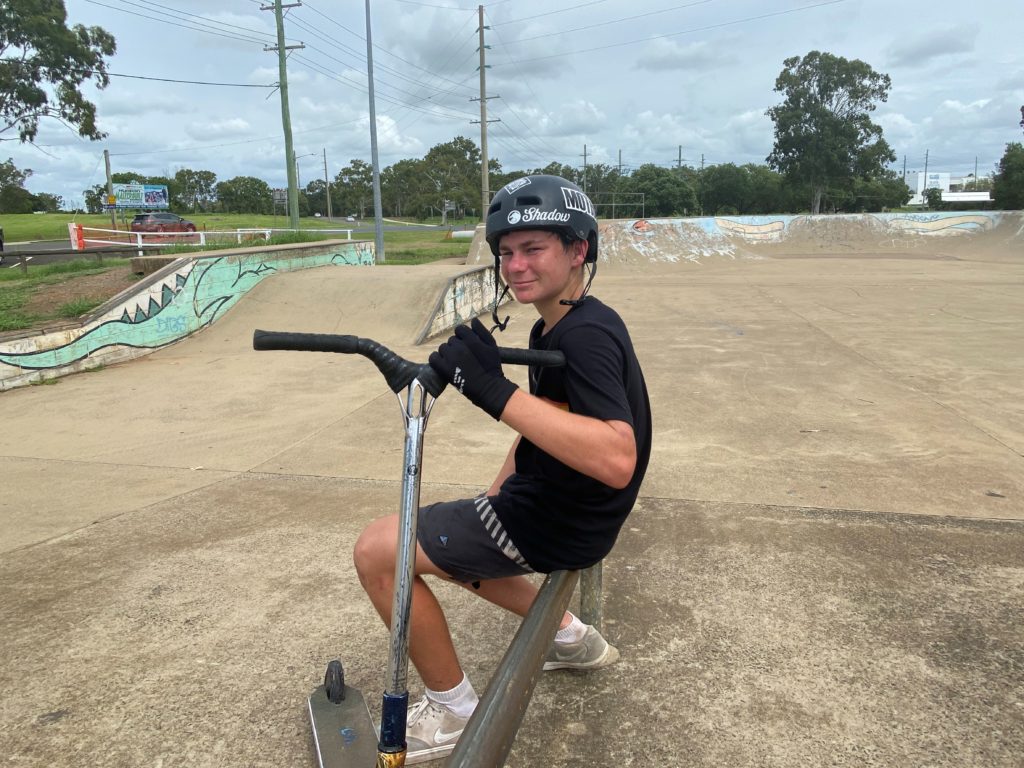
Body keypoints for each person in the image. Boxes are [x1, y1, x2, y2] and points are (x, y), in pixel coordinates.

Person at [353, 174, 652, 764]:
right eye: (507, 252)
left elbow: (617, 458)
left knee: (376, 551)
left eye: (534, 249)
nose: (515, 265)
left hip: (562, 521)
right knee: (449, 534)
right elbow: (549, 419)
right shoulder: (562, 322)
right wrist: (494, 492)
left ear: (578, 250)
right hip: (561, 509)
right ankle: (570, 636)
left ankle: (453, 711)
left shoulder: (586, 336)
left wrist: (490, 389)